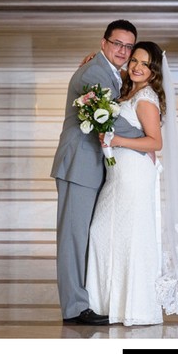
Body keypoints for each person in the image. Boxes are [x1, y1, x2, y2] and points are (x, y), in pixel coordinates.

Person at [85, 41, 178, 326]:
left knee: (130, 238)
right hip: (119, 176)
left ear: (154, 71)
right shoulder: (130, 87)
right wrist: (93, 63)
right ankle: (106, 303)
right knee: (104, 234)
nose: (136, 66)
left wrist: (118, 139)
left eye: (144, 64)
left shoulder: (145, 98)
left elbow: (155, 142)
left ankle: (135, 306)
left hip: (134, 175)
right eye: (134, 60)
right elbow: (115, 74)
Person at [51, 19, 144, 325]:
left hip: (91, 166)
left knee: (84, 237)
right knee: (73, 239)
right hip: (79, 165)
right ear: (104, 43)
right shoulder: (95, 73)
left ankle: (85, 297)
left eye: (128, 46)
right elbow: (110, 118)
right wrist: (147, 139)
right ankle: (75, 308)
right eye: (117, 43)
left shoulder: (109, 71)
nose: (122, 51)